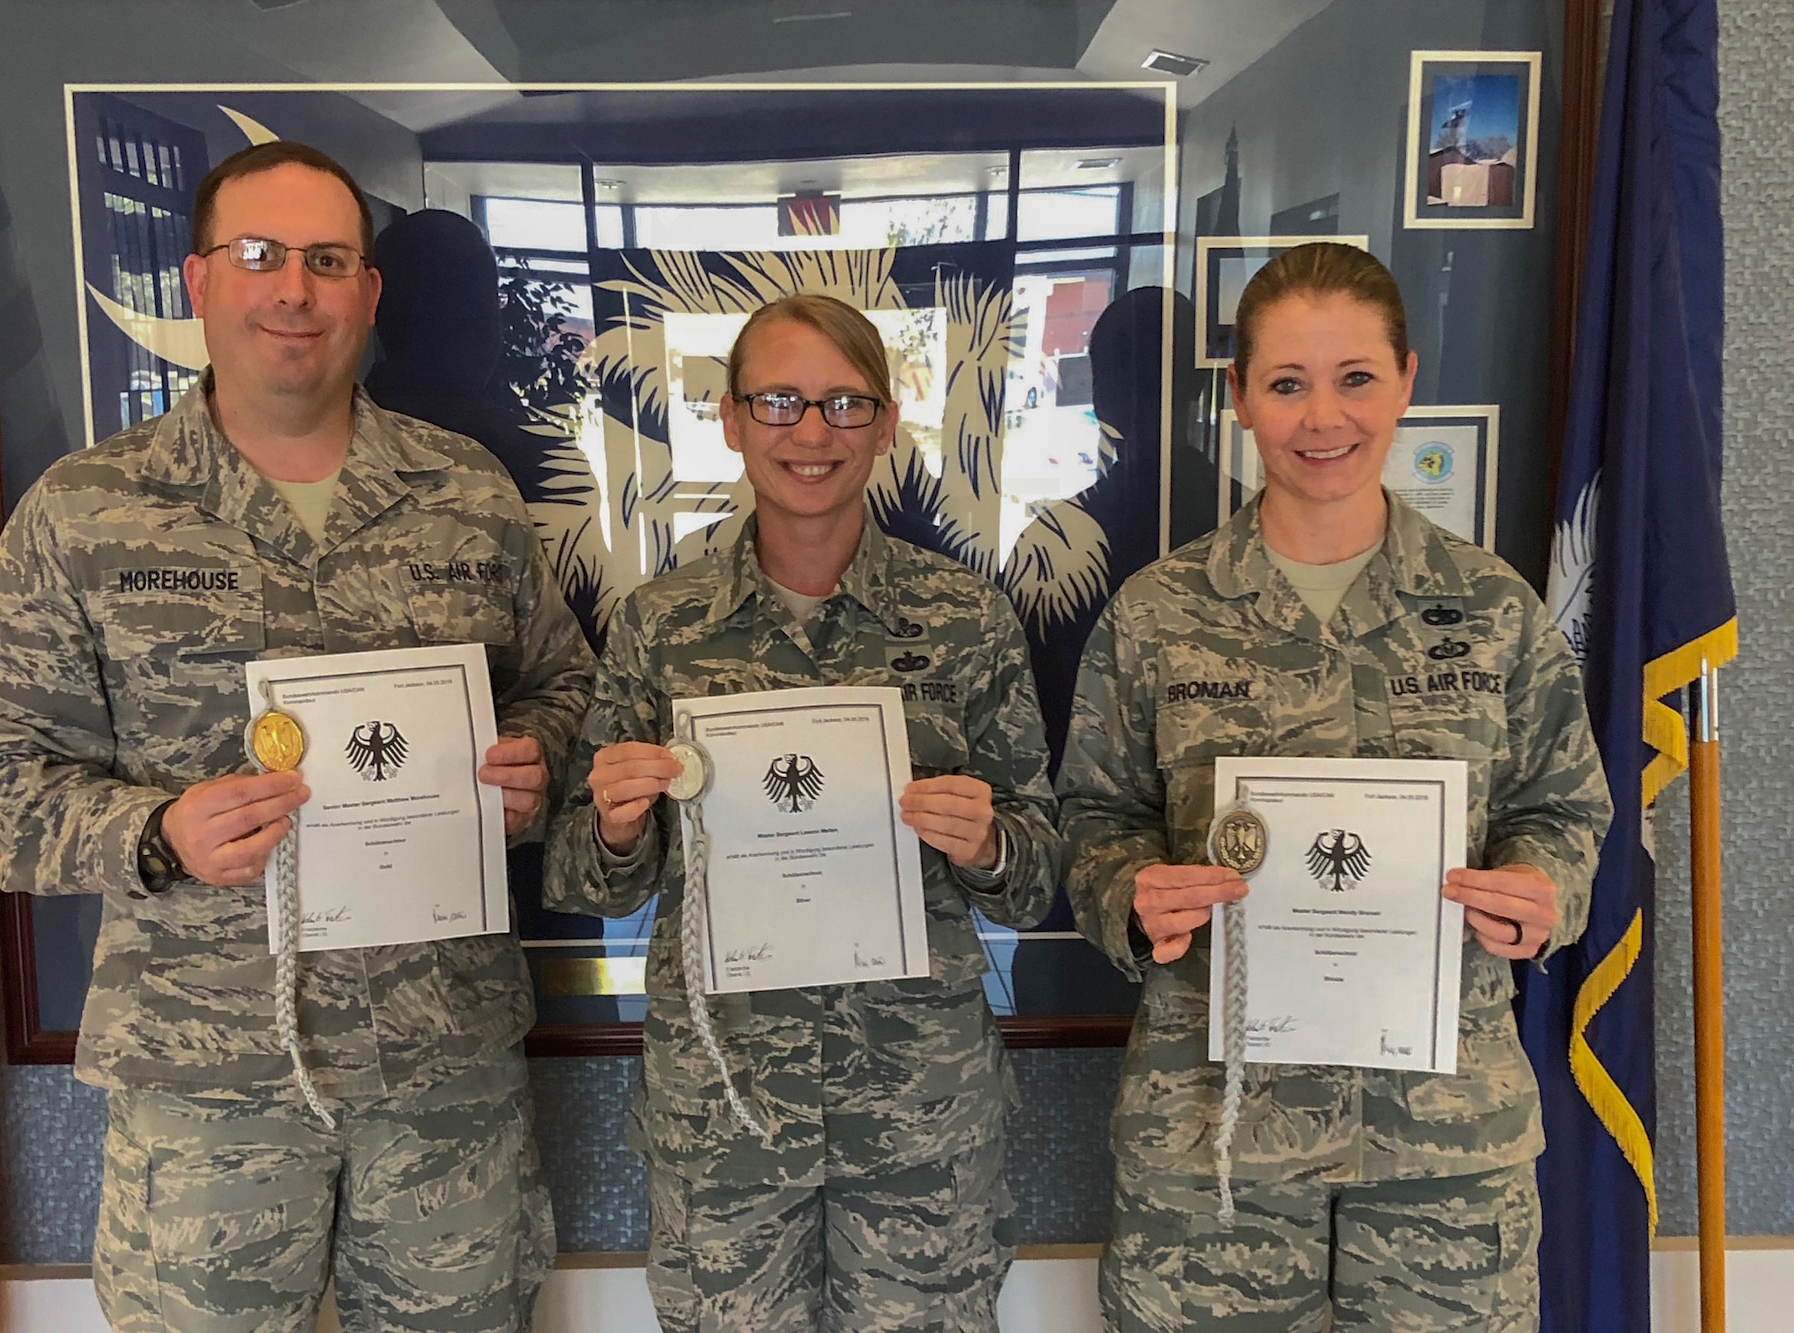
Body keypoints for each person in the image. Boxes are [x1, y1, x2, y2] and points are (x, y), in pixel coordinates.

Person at [0, 141, 595, 1333]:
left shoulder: (467, 491)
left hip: (439, 1069)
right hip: (207, 1087)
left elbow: (565, 692)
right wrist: (153, 829)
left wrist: (534, 764)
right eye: (260, 255)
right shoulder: (86, 512)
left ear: (369, 291)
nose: (294, 289)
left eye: (328, 259)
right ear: (199, 282)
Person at [1056, 242, 1613, 1332]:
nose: (1322, 417)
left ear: (1405, 378)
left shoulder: (1491, 609)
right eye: (1286, 383)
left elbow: (1565, 807)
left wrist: (1543, 885)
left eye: (1354, 377)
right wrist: (1132, 891)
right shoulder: (1157, 612)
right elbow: (1090, 817)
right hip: (1210, 1142)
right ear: (1239, 399)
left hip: (1440, 1148)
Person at [544, 294, 1060, 1331]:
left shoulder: (965, 620)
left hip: (918, 1120)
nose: (811, 433)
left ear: (882, 424)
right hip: (727, 1114)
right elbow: (579, 874)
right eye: (778, 402)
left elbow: (1046, 869)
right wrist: (612, 827)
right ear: (730, 420)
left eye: (841, 402)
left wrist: (993, 841)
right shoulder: (659, 629)